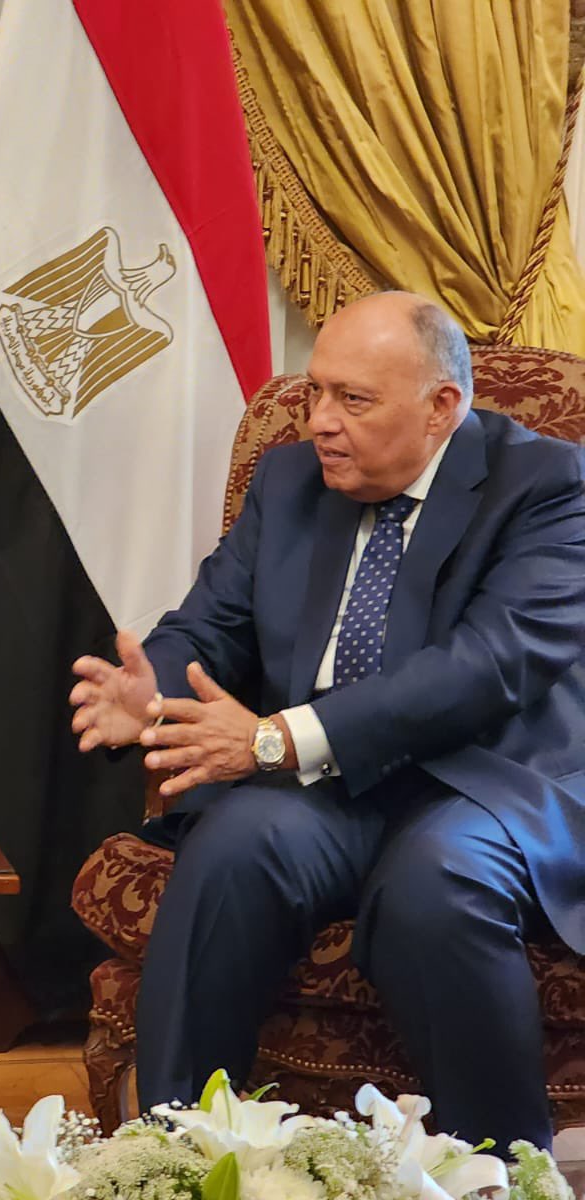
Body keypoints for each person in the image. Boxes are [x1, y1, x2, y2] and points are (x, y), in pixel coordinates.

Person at [69, 290, 585, 1151]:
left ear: (441, 407)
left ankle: (501, 1172)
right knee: (231, 848)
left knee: (435, 885)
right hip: (325, 787)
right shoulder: (290, 481)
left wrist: (274, 739)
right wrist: (150, 689)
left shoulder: (548, 485)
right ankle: (180, 1154)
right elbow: (212, 624)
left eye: (353, 399)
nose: (319, 421)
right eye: (315, 391)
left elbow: (489, 665)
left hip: (480, 782)